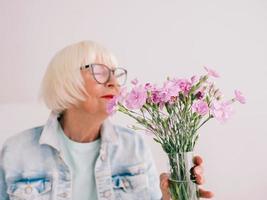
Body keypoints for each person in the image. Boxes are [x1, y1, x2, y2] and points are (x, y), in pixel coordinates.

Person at [0, 40, 213, 200]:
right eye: (99, 72)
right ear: (66, 80)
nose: (113, 83)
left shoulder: (134, 146)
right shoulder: (16, 150)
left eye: (115, 73)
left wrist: (171, 196)